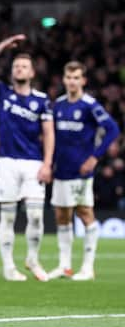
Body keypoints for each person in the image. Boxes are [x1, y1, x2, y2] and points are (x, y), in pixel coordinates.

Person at [0, 34, 54, 282]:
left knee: (35, 215)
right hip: (7, 162)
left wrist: (47, 164)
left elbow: (49, 133)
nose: (19, 69)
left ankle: (32, 258)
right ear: (12, 72)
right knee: (8, 216)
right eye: (16, 66)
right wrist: (1, 45)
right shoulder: (2, 92)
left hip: (33, 162)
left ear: (32, 73)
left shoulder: (42, 100)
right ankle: (9, 267)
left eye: (24, 66)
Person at [48, 61, 119, 281]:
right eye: (69, 77)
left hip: (81, 171)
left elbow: (112, 129)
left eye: (76, 78)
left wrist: (95, 157)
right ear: (64, 80)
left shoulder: (90, 105)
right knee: (62, 215)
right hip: (61, 170)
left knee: (85, 213)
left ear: (83, 81)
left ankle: (88, 267)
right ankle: (65, 266)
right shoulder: (57, 105)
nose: (72, 81)